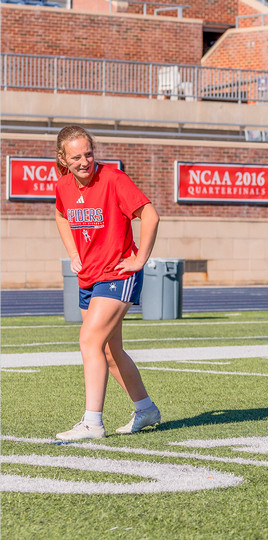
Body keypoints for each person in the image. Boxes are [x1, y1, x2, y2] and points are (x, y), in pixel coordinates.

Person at [54, 125, 162, 441]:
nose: (84, 161)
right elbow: (61, 216)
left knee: (89, 340)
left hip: (118, 274)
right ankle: (146, 409)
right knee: (110, 351)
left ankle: (92, 423)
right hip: (89, 276)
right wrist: (72, 252)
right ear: (63, 158)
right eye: (76, 157)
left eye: (89, 154)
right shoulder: (63, 186)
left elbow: (150, 215)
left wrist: (140, 259)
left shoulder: (114, 179)